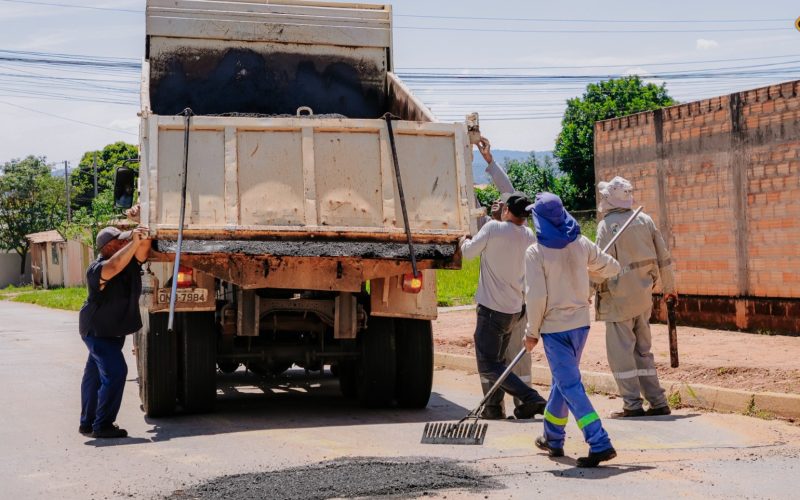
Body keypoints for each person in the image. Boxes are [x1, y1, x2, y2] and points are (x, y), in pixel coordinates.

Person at [524, 192, 621, 468]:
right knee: (562, 382)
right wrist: (588, 274)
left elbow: (536, 297)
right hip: (580, 326)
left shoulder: (535, 252)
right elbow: (612, 268)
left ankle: (599, 442)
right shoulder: (580, 243)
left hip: (554, 330)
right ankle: (552, 438)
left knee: (569, 385)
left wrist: (531, 332)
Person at [595, 176, 678, 418]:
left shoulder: (607, 226)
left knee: (621, 355)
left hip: (618, 300)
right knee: (643, 351)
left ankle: (632, 405)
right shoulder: (645, 220)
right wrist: (669, 288)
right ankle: (658, 402)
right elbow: (664, 258)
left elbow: (600, 265)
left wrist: (585, 294)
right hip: (643, 297)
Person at [461, 190, 547, 420]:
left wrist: (462, 239)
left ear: (507, 210)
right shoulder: (529, 235)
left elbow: (468, 254)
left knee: (488, 364)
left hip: (491, 309)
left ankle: (531, 397)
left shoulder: (492, 228)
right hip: (514, 310)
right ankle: (493, 409)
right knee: (498, 363)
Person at [475, 137, 534, 410]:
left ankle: (518, 403)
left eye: (503, 205)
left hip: (501, 308)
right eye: (495, 206)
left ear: (509, 211)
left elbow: (508, 192)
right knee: (505, 358)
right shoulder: (503, 229)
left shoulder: (492, 229)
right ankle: (497, 405)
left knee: (501, 359)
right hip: (518, 306)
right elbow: (472, 203)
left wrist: (489, 162)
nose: (499, 205)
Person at [78, 224, 151, 438]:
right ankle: (103, 425)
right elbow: (114, 265)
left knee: (94, 376)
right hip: (96, 332)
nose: (126, 244)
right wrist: (134, 242)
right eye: (121, 241)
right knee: (116, 372)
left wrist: (141, 230)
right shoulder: (97, 269)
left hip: (112, 332)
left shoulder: (129, 264)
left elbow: (144, 247)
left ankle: (87, 423)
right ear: (109, 247)